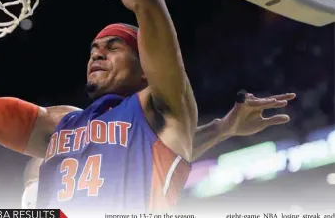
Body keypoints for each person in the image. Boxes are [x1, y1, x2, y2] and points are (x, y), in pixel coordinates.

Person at [0, 0, 295, 214]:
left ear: (146, 69)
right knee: (33, 176)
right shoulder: (59, 124)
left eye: (113, 47)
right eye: (94, 48)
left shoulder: (162, 109)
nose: (97, 53)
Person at [21, 89, 295, 209]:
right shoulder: (67, 122)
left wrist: (223, 128)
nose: (98, 56)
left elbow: (156, 155)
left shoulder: (138, 127)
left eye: (113, 47)